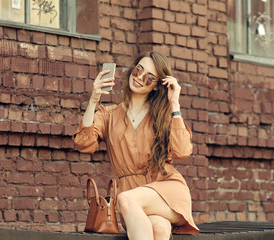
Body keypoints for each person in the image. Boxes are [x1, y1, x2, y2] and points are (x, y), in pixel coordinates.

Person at [73, 51, 200, 239]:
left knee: (125, 198)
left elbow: (182, 150)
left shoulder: (163, 115)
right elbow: (84, 144)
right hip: (132, 197)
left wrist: (175, 105)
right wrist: (93, 100)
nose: (140, 78)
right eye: (138, 70)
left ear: (157, 86)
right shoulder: (108, 115)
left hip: (166, 189)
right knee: (159, 229)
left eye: (149, 78)